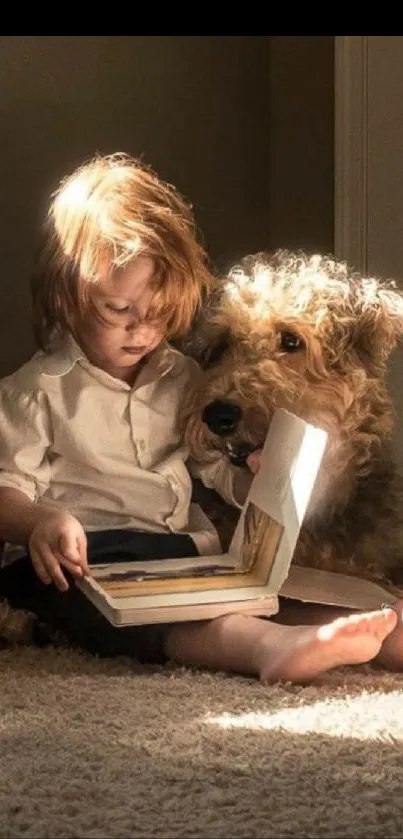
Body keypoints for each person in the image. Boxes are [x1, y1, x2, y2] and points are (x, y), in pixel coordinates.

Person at [0, 151, 401, 684]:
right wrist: (41, 523)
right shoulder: (37, 392)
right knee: (152, 617)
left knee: (236, 592)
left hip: (181, 551)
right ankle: (267, 650)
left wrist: (253, 478)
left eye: (161, 314)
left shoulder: (179, 377)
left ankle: (364, 634)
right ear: (67, 296)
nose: (142, 330)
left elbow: (211, 470)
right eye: (119, 311)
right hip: (84, 553)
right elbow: (6, 486)